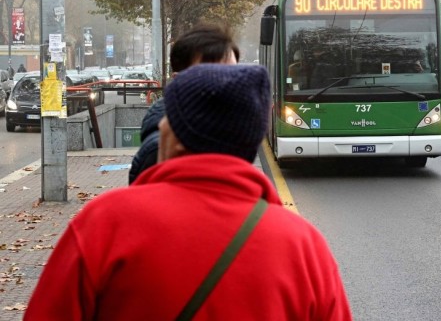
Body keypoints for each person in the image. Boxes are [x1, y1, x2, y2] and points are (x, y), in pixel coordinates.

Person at [24, 64, 352, 320]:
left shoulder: (106, 224)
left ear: (179, 137)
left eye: (169, 118)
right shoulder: (303, 247)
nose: (162, 126)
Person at [128, 22, 239, 184]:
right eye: (211, 76)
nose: (227, 85)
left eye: (234, 75)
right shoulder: (160, 151)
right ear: (178, 80)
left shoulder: (227, 130)